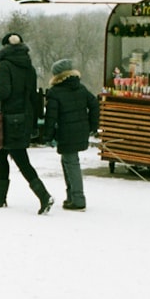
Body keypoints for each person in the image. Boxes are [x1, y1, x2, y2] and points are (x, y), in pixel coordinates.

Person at [0, 32, 54, 214]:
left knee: (21, 160)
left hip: (9, 117)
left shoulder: (5, 66)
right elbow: (33, 95)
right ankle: (0, 197)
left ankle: (44, 196)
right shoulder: (29, 68)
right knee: (1, 154)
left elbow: (5, 92)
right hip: (24, 116)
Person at [43, 58, 100, 212]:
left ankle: (78, 199)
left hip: (66, 132)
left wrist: (47, 136)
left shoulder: (55, 92)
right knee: (68, 161)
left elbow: (51, 117)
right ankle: (71, 197)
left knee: (71, 162)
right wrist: (92, 125)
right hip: (80, 130)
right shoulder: (80, 88)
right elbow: (94, 104)